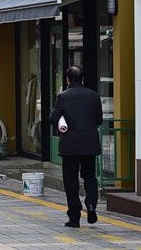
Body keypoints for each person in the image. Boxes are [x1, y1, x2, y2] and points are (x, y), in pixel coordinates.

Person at [49, 65, 103, 228]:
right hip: (90, 144)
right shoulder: (94, 96)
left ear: (67, 80)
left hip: (70, 146)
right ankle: (92, 205)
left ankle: (74, 217)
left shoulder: (63, 97)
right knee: (90, 176)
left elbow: (53, 119)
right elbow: (99, 120)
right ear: (83, 79)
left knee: (71, 180)